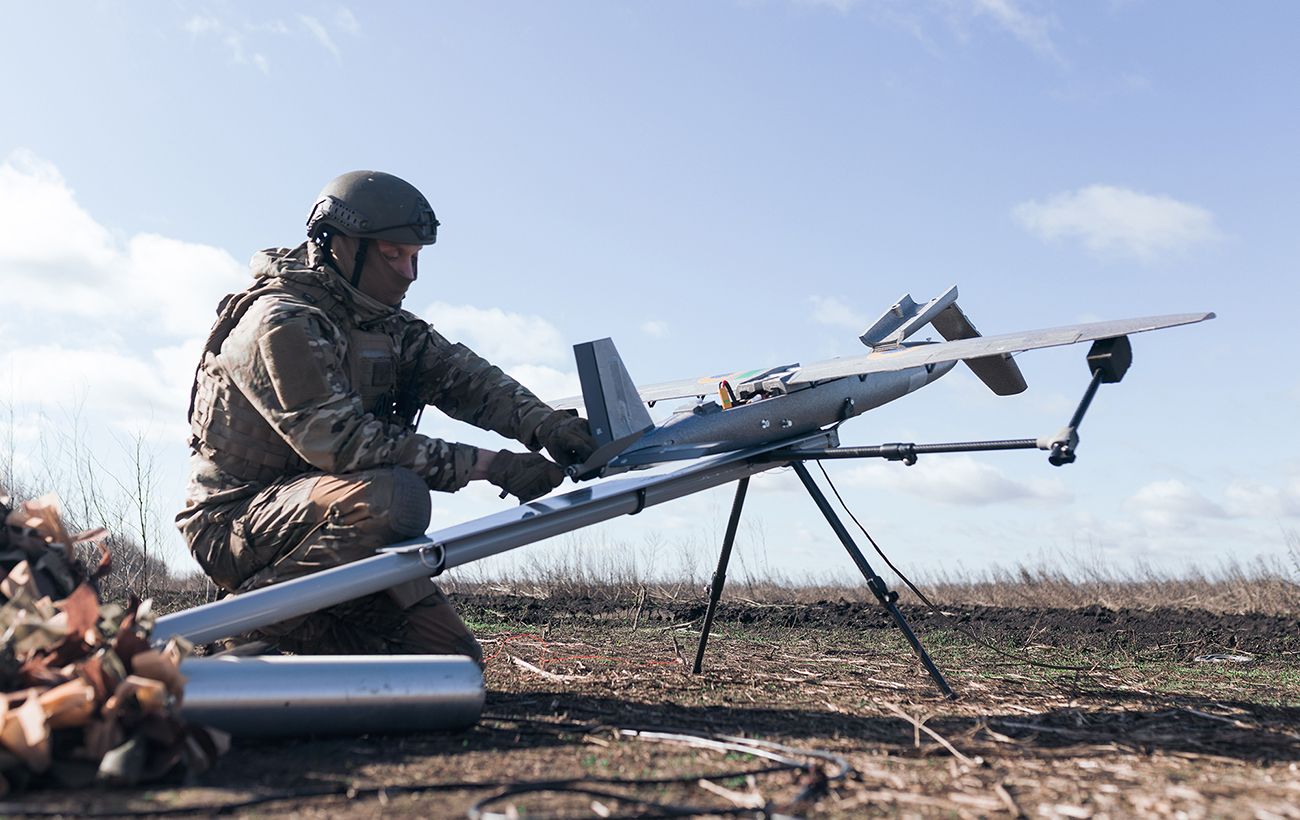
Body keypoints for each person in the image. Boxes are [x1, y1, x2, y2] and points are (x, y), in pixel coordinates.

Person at [175, 170, 597, 662]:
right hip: (240, 525)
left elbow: (469, 380)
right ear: (339, 245)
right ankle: (243, 625)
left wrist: (546, 425)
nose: (408, 273)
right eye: (393, 254)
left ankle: (297, 632)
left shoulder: (386, 326)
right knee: (397, 498)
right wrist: (491, 466)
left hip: (340, 527)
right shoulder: (280, 321)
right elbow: (341, 443)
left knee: (449, 665)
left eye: (415, 257)